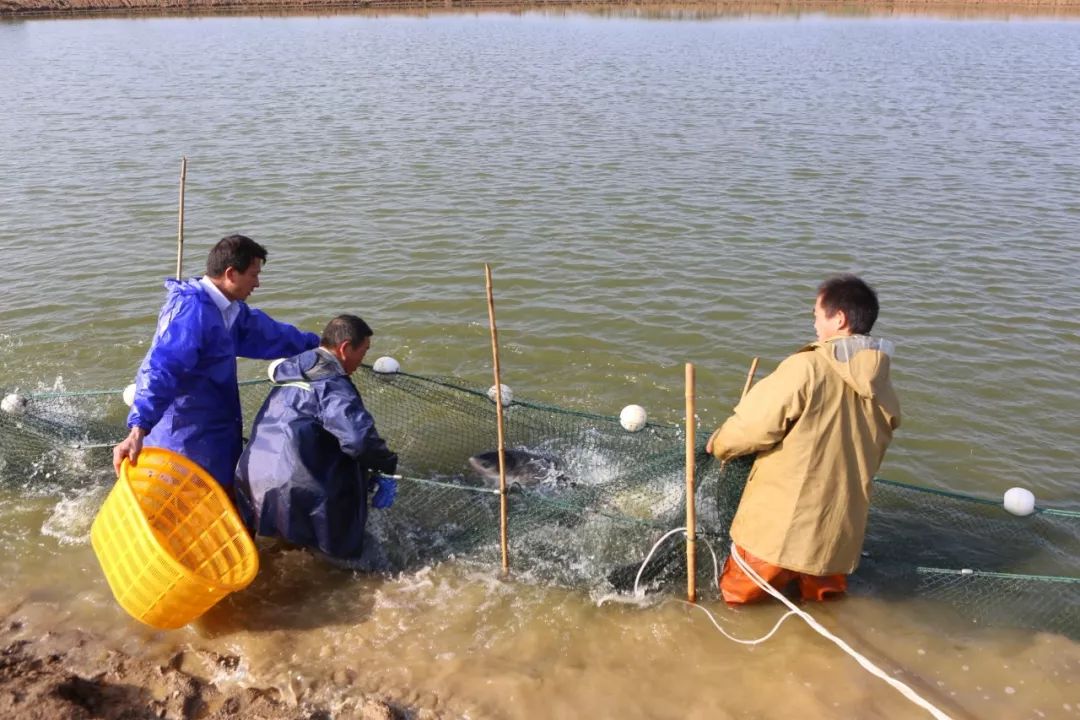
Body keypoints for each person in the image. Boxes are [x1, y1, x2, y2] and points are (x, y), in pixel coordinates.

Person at [705, 275, 901, 605]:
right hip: (836, 540)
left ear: (839, 319)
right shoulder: (884, 388)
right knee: (824, 611)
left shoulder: (807, 367)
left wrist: (719, 443)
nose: (814, 322)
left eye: (816, 314)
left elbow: (754, 427)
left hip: (777, 534)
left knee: (736, 605)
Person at [113, 234, 320, 489]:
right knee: (185, 497)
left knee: (220, 496)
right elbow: (161, 369)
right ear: (231, 274)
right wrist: (138, 429)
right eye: (253, 275)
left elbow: (268, 334)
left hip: (216, 428)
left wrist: (318, 346)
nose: (258, 283)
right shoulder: (191, 312)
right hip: (184, 433)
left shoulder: (229, 309)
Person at [233, 314, 399, 562]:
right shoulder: (333, 385)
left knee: (283, 551)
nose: (362, 360)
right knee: (357, 562)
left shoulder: (293, 367)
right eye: (363, 352)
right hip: (296, 491)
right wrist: (386, 469)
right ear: (344, 348)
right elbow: (358, 440)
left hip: (252, 484)